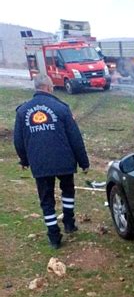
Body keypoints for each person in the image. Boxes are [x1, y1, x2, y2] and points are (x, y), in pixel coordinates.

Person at [13, 74, 89, 249]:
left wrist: (24, 160)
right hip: (64, 160)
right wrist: (83, 162)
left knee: (46, 199)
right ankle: (69, 222)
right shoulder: (62, 108)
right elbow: (75, 138)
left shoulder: (23, 111)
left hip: (40, 162)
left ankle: (54, 236)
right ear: (48, 87)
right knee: (67, 190)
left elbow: (18, 140)